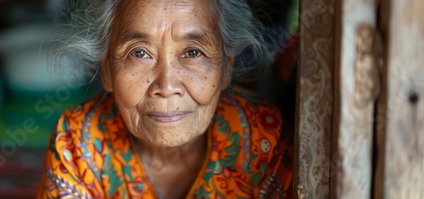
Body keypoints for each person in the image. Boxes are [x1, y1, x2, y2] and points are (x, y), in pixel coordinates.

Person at [38, 0, 293, 198]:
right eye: (139, 52)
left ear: (227, 66)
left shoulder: (262, 137)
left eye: (193, 52)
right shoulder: (77, 142)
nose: (167, 85)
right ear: (106, 70)